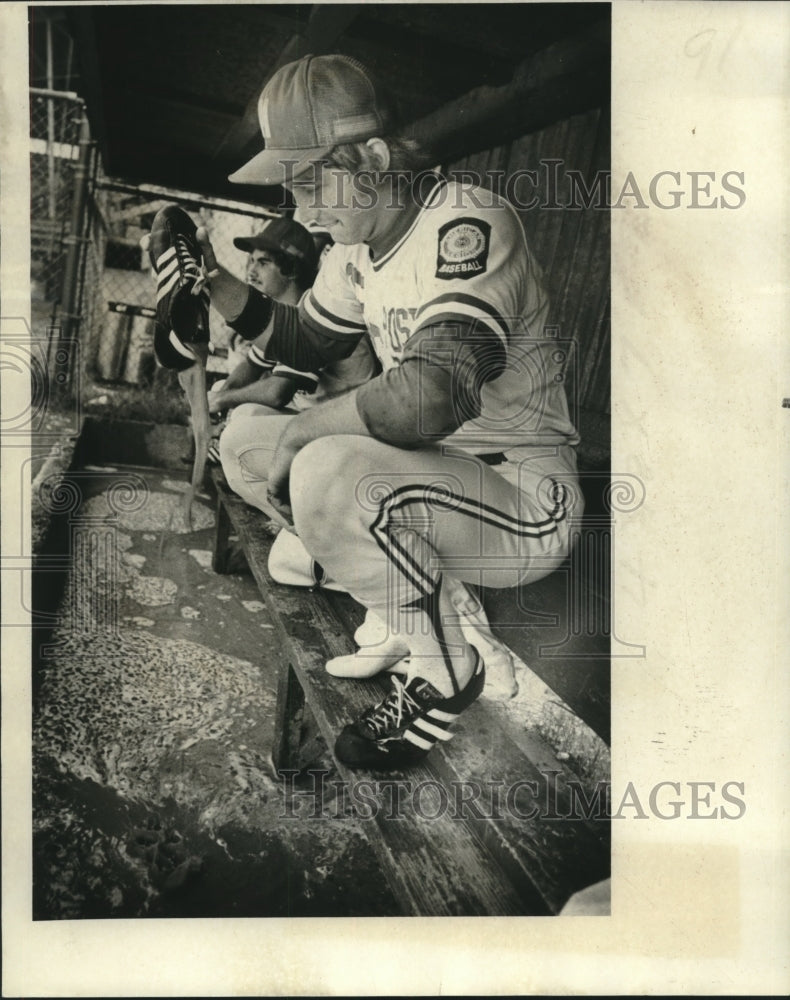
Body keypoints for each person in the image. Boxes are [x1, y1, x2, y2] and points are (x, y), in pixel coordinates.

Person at [193, 53, 583, 772]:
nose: (302, 210)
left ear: (373, 157)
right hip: (432, 482)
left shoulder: (464, 221)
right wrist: (209, 276)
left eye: (312, 182)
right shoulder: (355, 250)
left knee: (323, 468)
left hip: (522, 496)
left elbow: (434, 393)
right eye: (293, 186)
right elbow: (300, 339)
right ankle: (395, 592)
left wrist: (311, 428)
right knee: (246, 438)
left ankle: (445, 668)